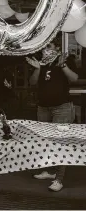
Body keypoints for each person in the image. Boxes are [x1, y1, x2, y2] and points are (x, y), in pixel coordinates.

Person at [26, 41, 78, 192]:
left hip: (62, 108)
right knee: (45, 140)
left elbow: (74, 78)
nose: (45, 50)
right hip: (43, 107)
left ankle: (59, 179)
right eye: (43, 48)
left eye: (48, 47)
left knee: (60, 142)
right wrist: (37, 69)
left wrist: (63, 66)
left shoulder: (65, 60)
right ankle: (49, 171)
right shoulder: (41, 63)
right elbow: (32, 82)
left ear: (57, 49)